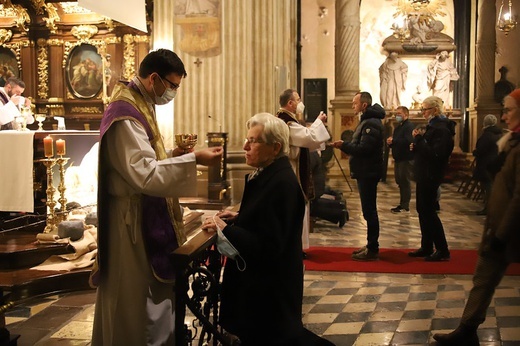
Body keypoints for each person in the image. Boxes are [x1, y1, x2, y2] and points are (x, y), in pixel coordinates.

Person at [90, 49, 223, 346]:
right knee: (135, 302)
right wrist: (194, 161)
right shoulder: (125, 114)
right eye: (172, 86)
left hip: (141, 211)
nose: (173, 93)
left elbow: (144, 160)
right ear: (154, 79)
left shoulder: (140, 102)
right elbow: (144, 174)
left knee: (148, 300)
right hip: (130, 224)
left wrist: (175, 156)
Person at [202, 113, 331, 345]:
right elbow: (267, 219)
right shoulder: (270, 174)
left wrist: (225, 228)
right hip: (262, 291)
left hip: (268, 295)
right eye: (247, 139)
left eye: (254, 141)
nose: (245, 146)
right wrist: (240, 217)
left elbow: (268, 246)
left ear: (275, 147)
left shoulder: (281, 183)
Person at [433, 89, 520, 345]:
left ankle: (466, 329)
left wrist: (501, 235)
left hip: (510, 229)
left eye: (508, 110)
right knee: (483, 277)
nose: (504, 117)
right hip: (498, 227)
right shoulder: (511, 141)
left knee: (485, 276)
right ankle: (467, 329)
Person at [332, 91, 385, 261]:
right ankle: (370, 245)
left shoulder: (371, 123)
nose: (352, 106)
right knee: (368, 211)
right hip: (365, 171)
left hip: (368, 172)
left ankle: (373, 249)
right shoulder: (367, 121)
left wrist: (344, 146)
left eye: (354, 103)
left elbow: (364, 149)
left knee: (370, 211)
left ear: (364, 105)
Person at [276, 89, 330, 251]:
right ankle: (294, 246)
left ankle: (296, 245)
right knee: (295, 207)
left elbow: (307, 139)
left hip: (293, 167)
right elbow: (309, 138)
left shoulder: (287, 119)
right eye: (298, 100)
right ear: (290, 103)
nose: (301, 103)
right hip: (292, 170)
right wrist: (319, 122)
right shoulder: (286, 121)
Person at [408, 96, 455, 262]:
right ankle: (427, 246)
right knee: (422, 210)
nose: (423, 112)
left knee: (429, 211)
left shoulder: (442, 129)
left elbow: (437, 155)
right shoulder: (433, 126)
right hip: (424, 173)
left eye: (425, 109)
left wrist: (420, 140)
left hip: (431, 174)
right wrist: (416, 146)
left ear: (435, 110)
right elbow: (426, 149)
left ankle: (442, 249)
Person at [472, 114, 503, 215]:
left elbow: (481, 150)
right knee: (490, 186)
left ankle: (488, 208)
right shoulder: (499, 134)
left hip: (485, 164)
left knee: (487, 188)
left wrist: (475, 152)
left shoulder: (487, 135)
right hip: (495, 163)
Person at [387, 106, 415, 213]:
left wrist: (394, 141)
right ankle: (402, 203)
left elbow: (408, 141)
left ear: (406, 115)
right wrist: (391, 143)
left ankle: (405, 205)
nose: (397, 115)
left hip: (406, 158)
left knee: (404, 181)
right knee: (400, 181)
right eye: (396, 113)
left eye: (399, 113)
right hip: (399, 158)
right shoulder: (399, 127)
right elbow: (397, 141)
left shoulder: (409, 126)